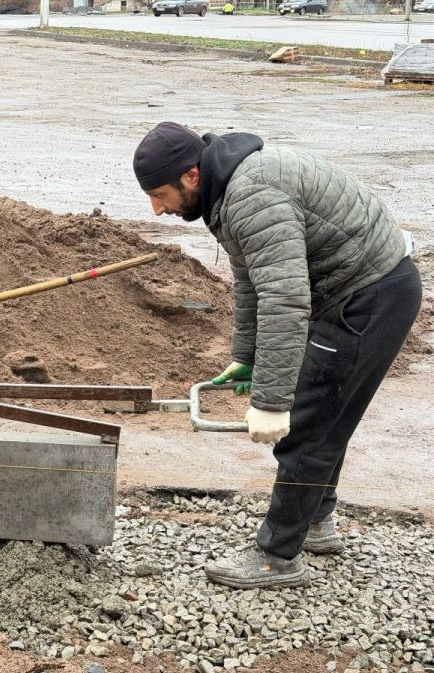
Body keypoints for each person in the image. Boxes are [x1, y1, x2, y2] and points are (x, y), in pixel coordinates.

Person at [132, 122, 422, 589]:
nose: (157, 209)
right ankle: (316, 523)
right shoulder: (224, 188)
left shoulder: (252, 196)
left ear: (190, 175)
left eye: (159, 194)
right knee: (327, 417)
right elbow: (251, 280)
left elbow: (285, 301)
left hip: (368, 297)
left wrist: (270, 402)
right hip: (357, 289)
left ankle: (278, 555)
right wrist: (246, 354)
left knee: (307, 428)